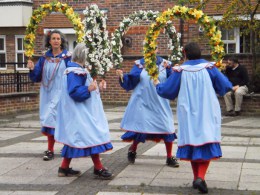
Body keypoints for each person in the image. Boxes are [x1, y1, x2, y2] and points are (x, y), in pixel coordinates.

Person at [154, 42, 232, 194]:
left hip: (188, 112)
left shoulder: (180, 71)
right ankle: (200, 178)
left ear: (184, 53)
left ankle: (197, 177)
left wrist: (158, 84)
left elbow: (167, 91)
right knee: (206, 141)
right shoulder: (210, 68)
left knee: (192, 142)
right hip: (207, 111)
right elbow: (225, 86)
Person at [54, 43, 113, 179]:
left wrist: (96, 87)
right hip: (80, 112)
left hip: (80, 111)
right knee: (90, 137)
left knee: (78, 139)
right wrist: (88, 89)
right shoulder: (75, 72)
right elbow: (74, 92)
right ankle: (98, 168)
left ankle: (64, 168)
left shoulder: (75, 70)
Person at [115, 47, 179, 168]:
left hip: (160, 103)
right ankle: (133, 149)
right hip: (143, 103)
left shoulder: (166, 65)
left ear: (157, 49)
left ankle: (169, 157)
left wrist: (177, 73)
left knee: (167, 127)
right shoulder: (140, 65)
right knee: (141, 128)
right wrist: (122, 75)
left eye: (153, 49)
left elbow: (172, 81)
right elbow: (131, 80)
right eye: (147, 49)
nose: (150, 51)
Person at [27, 30, 71, 161]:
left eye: (58, 38)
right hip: (47, 93)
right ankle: (51, 149)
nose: (56, 41)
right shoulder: (44, 58)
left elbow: (73, 74)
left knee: (61, 119)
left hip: (62, 93)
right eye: (54, 38)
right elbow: (36, 76)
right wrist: (31, 68)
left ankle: (62, 147)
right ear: (49, 41)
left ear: (61, 41)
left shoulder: (67, 57)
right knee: (49, 119)